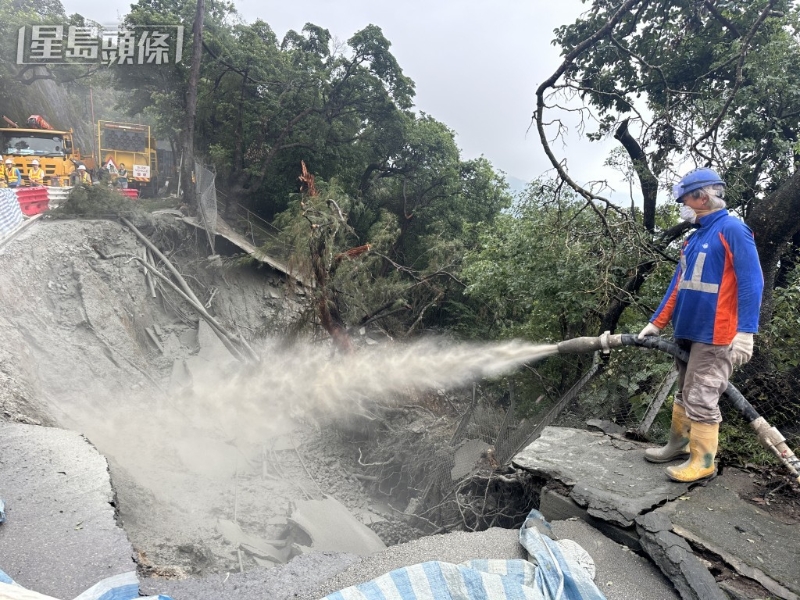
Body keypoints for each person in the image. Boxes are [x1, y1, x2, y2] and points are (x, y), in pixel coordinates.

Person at [638, 167, 764, 483]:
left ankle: (703, 459)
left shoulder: (733, 229)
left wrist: (746, 331)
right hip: (687, 330)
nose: (683, 206)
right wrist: (657, 322)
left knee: (703, 394)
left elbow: (752, 281)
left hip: (716, 333)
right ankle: (678, 445)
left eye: (685, 200)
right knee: (685, 391)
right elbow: (677, 285)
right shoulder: (694, 239)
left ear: (702, 196)